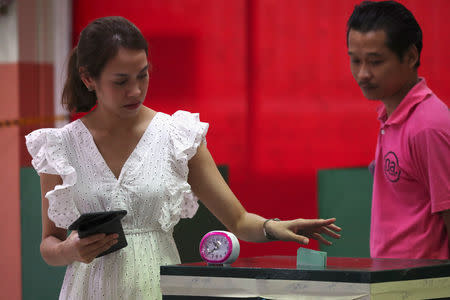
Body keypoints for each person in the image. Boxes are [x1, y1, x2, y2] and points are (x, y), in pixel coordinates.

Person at [25, 16, 341, 299]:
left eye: (143, 76)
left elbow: (238, 220)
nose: (135, 91)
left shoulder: (176, 135)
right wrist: (69, 249)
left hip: (160, 286)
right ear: (88, 78)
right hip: (87, 290)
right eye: (121, 81)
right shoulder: (60, 145)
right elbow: (48, 245)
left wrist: (275, 227)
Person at [347, 1, 450, 259]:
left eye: (375, 61)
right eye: (355, 60)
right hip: (391, 283)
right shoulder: (390, 116)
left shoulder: (429, 126)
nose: (363, 74)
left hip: (423, 288)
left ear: (411, 56)